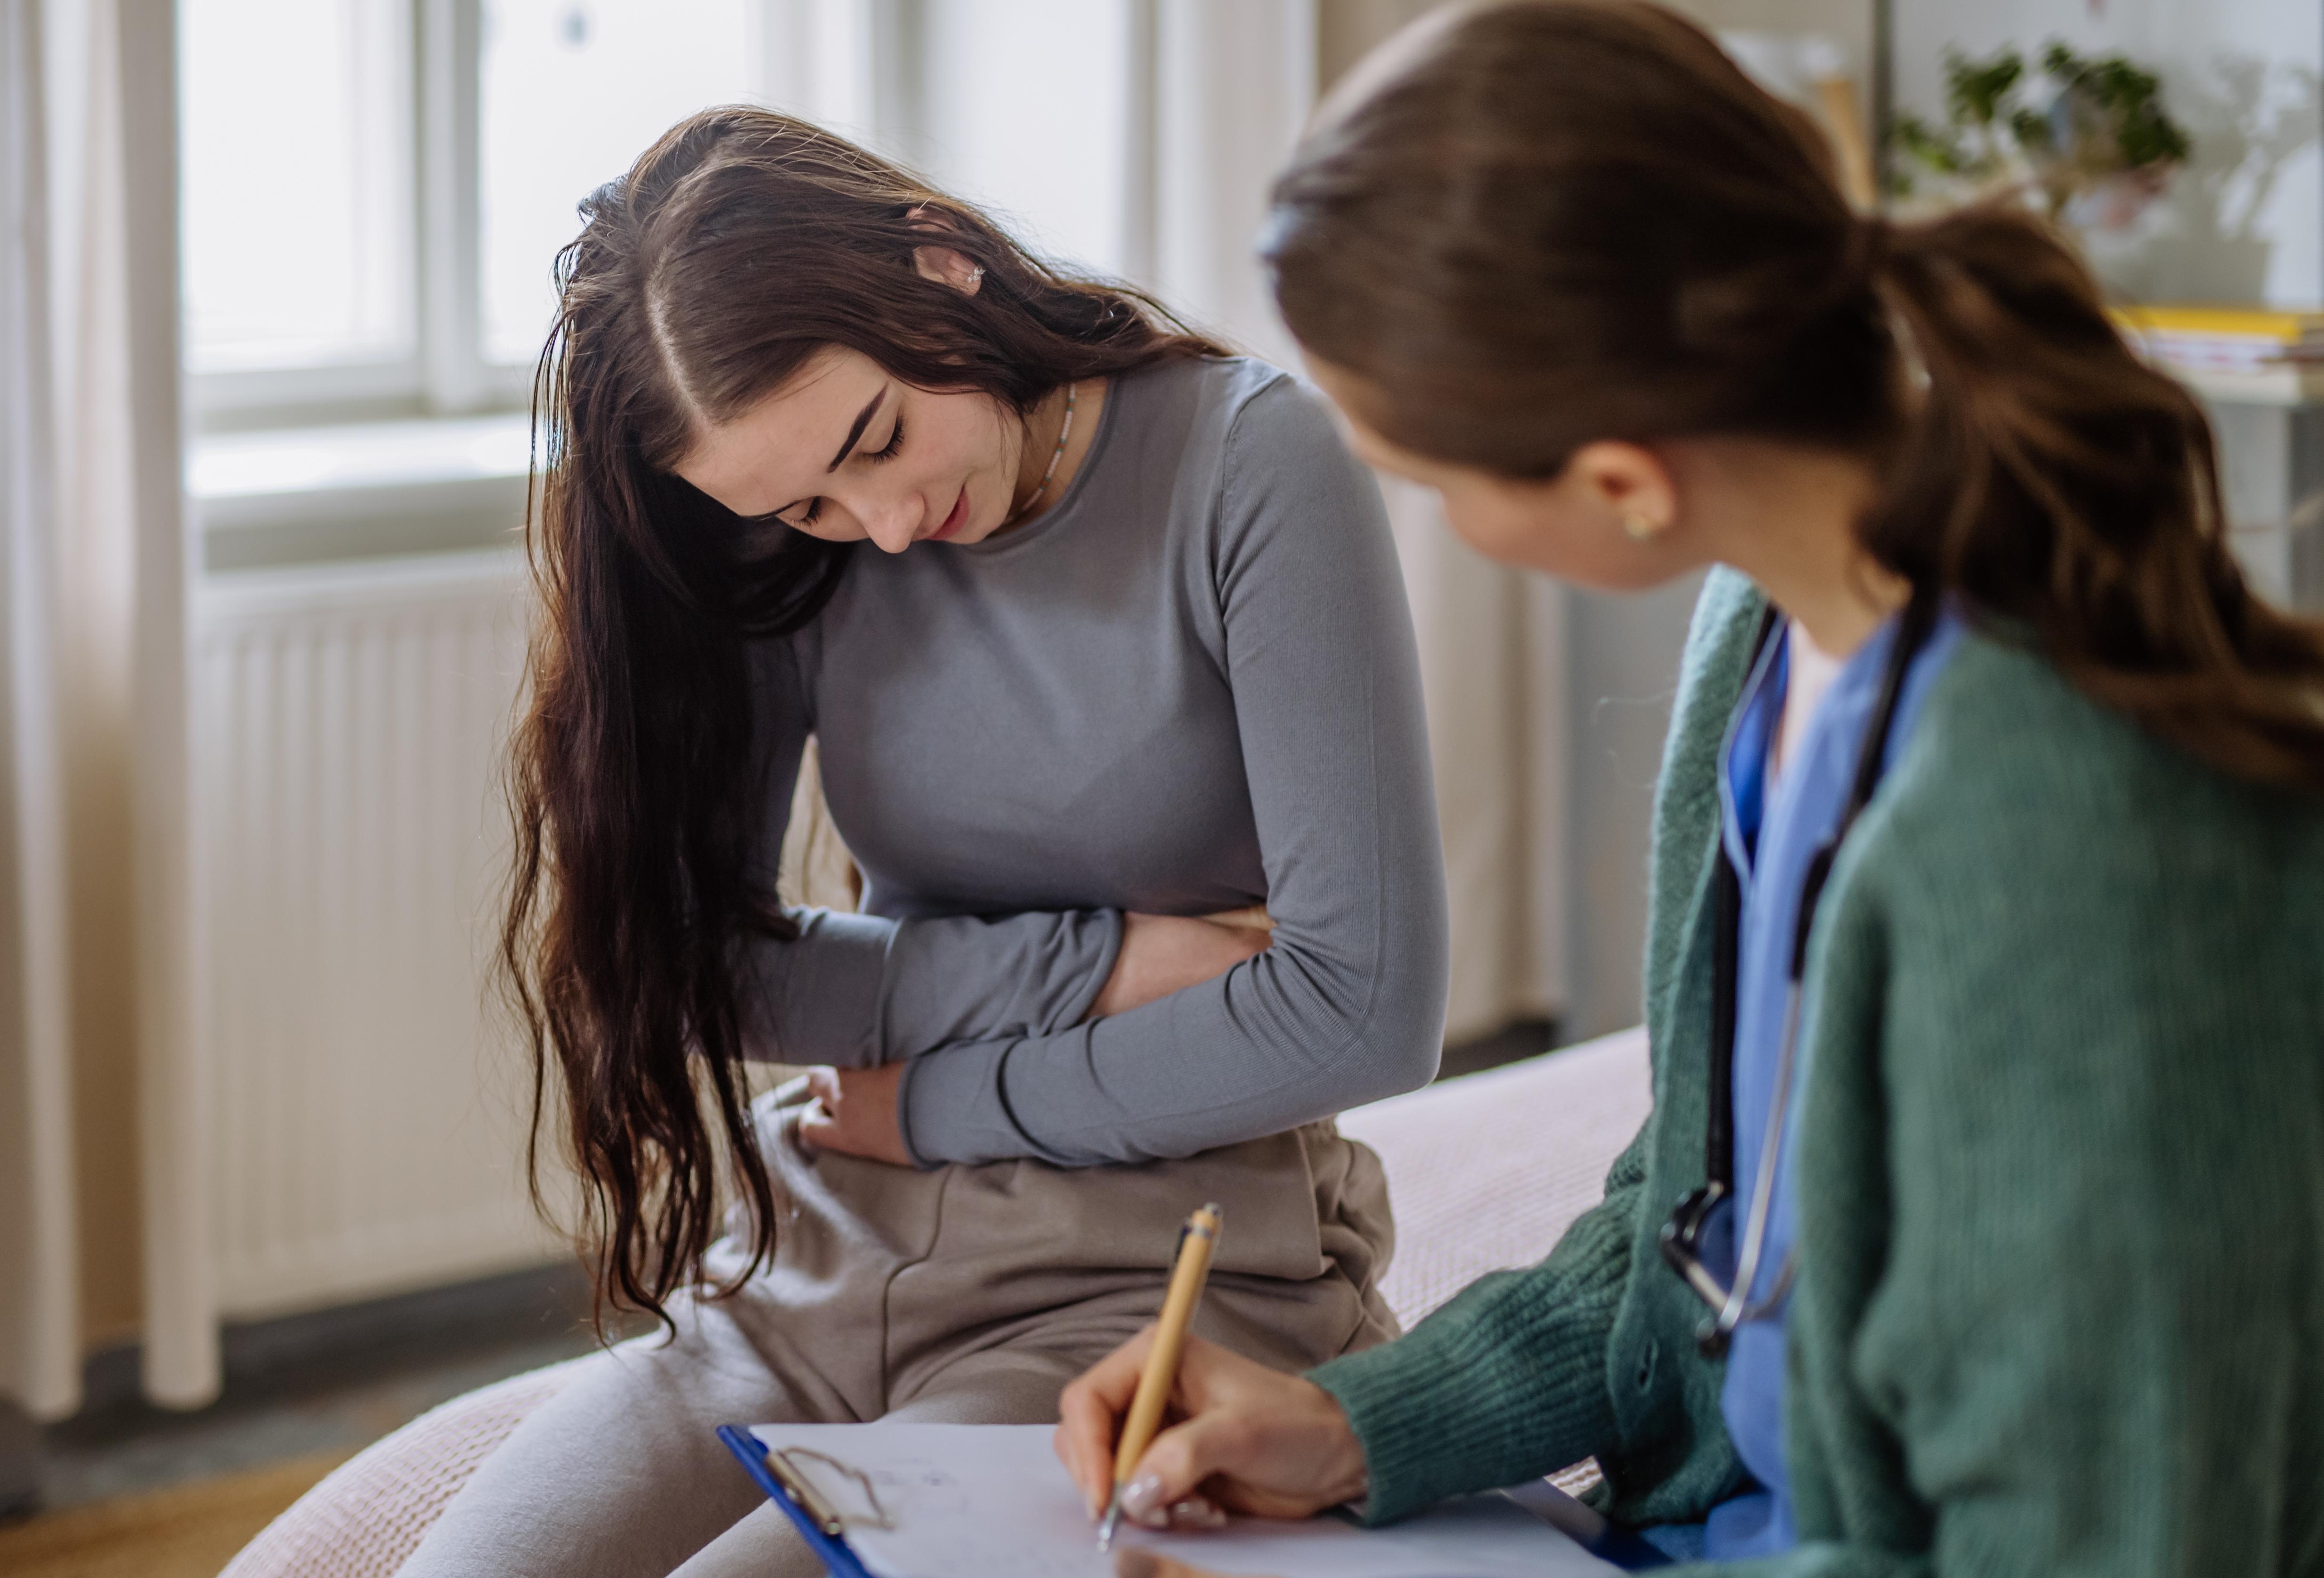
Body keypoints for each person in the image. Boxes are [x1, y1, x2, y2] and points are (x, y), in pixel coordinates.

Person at [1055, 4, 2324, 1574]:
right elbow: (1701, 1215)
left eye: (1436, 485)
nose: (1437, 524)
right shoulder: (1764, 633)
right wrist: (1364, 1423)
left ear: (1619, 484)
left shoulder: (2056, 839)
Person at [397, 108, 1447, 1578]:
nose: (880, 527)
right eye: (807, 505)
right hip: (818, 1237)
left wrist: (938, 1106)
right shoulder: (796, 536)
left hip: (1146, 1272)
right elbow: (705, 963)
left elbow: (1364, 1011)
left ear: (939, 264)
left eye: (876, 440)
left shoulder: (1248, 462)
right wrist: (1100, 964)